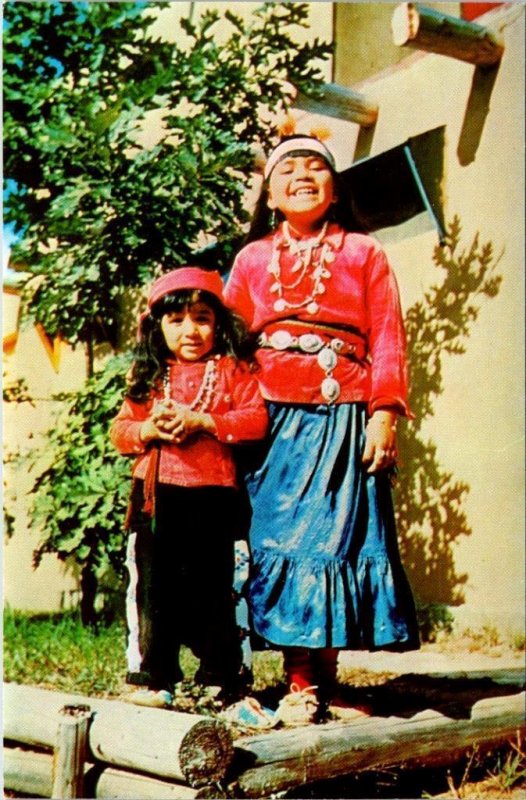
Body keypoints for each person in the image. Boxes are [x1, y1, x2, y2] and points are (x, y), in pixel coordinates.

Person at [224, 130, 420, 725]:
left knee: (332, 544)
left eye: (316, 167)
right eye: (288, 169)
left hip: (341, 415)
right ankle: (284, 675)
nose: (302, 176)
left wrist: (384, 413)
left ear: (335, 189)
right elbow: (228, 341)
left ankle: (311, 682)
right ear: (269, 193)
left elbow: (388, 336)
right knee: (277, 543)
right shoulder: (252, 259)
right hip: (271, 420)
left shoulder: (364, 252)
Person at [110, 267, 268, 708]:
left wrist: (204, 421)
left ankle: (222, 676)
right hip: (156, 498)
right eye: (176, 320)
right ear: (157, 327)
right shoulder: (149, 376)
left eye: (202, 318)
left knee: (215, 585)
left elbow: (255, 421)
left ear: (219, 324)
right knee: (153, 587)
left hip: (215, 497)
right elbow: (119, 431)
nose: (190, 330)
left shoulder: (233, 371)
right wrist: (147, 431)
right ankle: (153, 676)